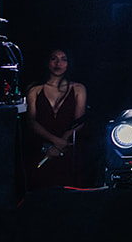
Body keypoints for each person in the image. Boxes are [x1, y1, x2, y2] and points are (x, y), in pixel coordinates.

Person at [24, 49, 86, 190]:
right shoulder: (35, 89)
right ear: (47, 62)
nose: (58, 63)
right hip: (41, 150)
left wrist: (61, 143)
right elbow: (31, 122)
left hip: (68, 150)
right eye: (54, 59)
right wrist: (55, 142)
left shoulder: (78, 88)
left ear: (69, 63)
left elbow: (79, 121)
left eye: (63, 59)